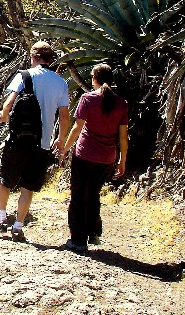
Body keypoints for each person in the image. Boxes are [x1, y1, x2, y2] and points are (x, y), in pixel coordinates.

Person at [0, 41, 70, 241]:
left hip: (18, 139)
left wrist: (4, 118)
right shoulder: (61, 83)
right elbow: (64, 116)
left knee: (5, 179)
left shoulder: (24, 76)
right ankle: (18, 226)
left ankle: (1, 218)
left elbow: (8, 104)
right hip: (42, 144)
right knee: (28, 186)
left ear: (33, 57)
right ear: (51, 59)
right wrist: (60, 139)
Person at [58, 63, 128, 252]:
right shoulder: (121, 103)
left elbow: (77, 128)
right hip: (107, 158)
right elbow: (123, 136)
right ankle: (93, 232)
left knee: (78, 197)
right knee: (93, 194)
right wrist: (122, 160)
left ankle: (78, 241)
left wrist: (64, 149)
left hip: (85, 155)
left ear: (94, 79)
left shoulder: (87, 99)